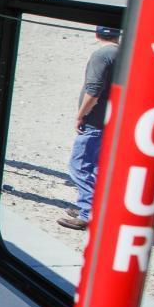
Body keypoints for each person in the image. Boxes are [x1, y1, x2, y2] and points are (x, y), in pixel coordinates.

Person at [59, 26, 120, 230]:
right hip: (111, 120)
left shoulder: (101, 55)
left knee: (79, 167)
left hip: (94, 121)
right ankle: (94, 207)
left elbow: (93, 91)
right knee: (97, 168)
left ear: (97, 34)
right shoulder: (124, 54)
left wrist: (80, 115)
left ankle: (87, 213)